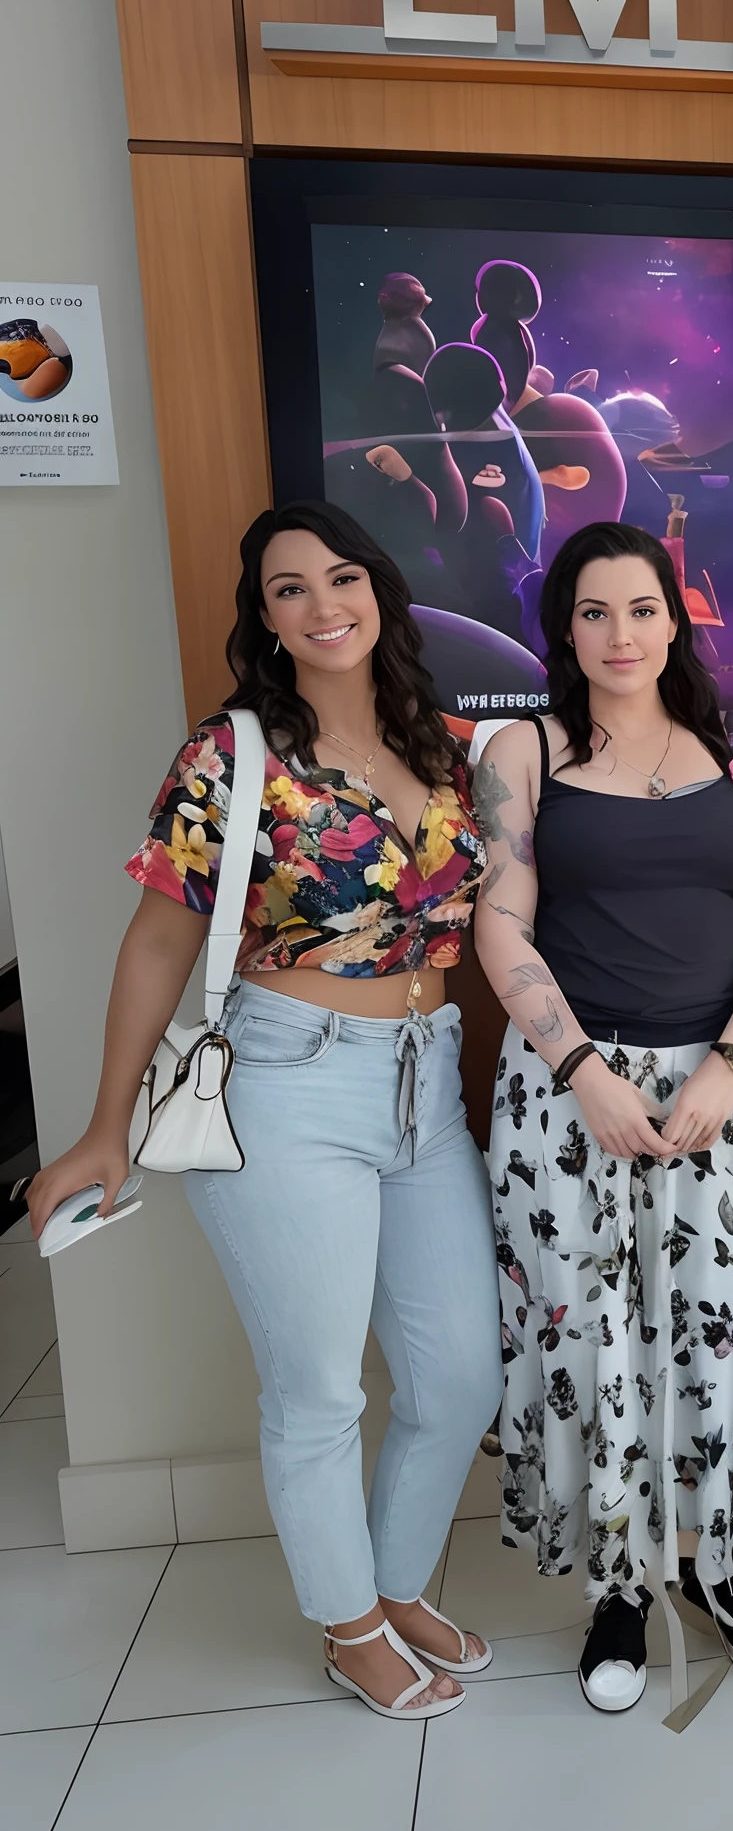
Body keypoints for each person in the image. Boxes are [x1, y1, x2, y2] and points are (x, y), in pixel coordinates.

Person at [27, 501, 502, 1721]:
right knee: (319, 1390)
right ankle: (349, 1624)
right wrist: (102, 1125)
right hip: (290, 1081)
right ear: (268, 619)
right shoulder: (230, 757)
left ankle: (392, 1582)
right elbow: (156, 944)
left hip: (426, 1082)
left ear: (382, 591)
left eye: (343, 574)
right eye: (289, 588)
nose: (323, 602)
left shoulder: (446, 745)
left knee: (458, 1377)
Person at [472, 520, 733, 1714]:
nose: (619, 633)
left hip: (710, 1086)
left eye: (640, 608)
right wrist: (582, 1064)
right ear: (564, 628)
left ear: (674, 618)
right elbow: (501, 920)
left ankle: (732, 1572)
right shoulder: (521, 750)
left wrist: (729, 1063)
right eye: (593, 612)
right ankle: (619, 1592)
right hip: (565, 1091)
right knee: (590, 1346)